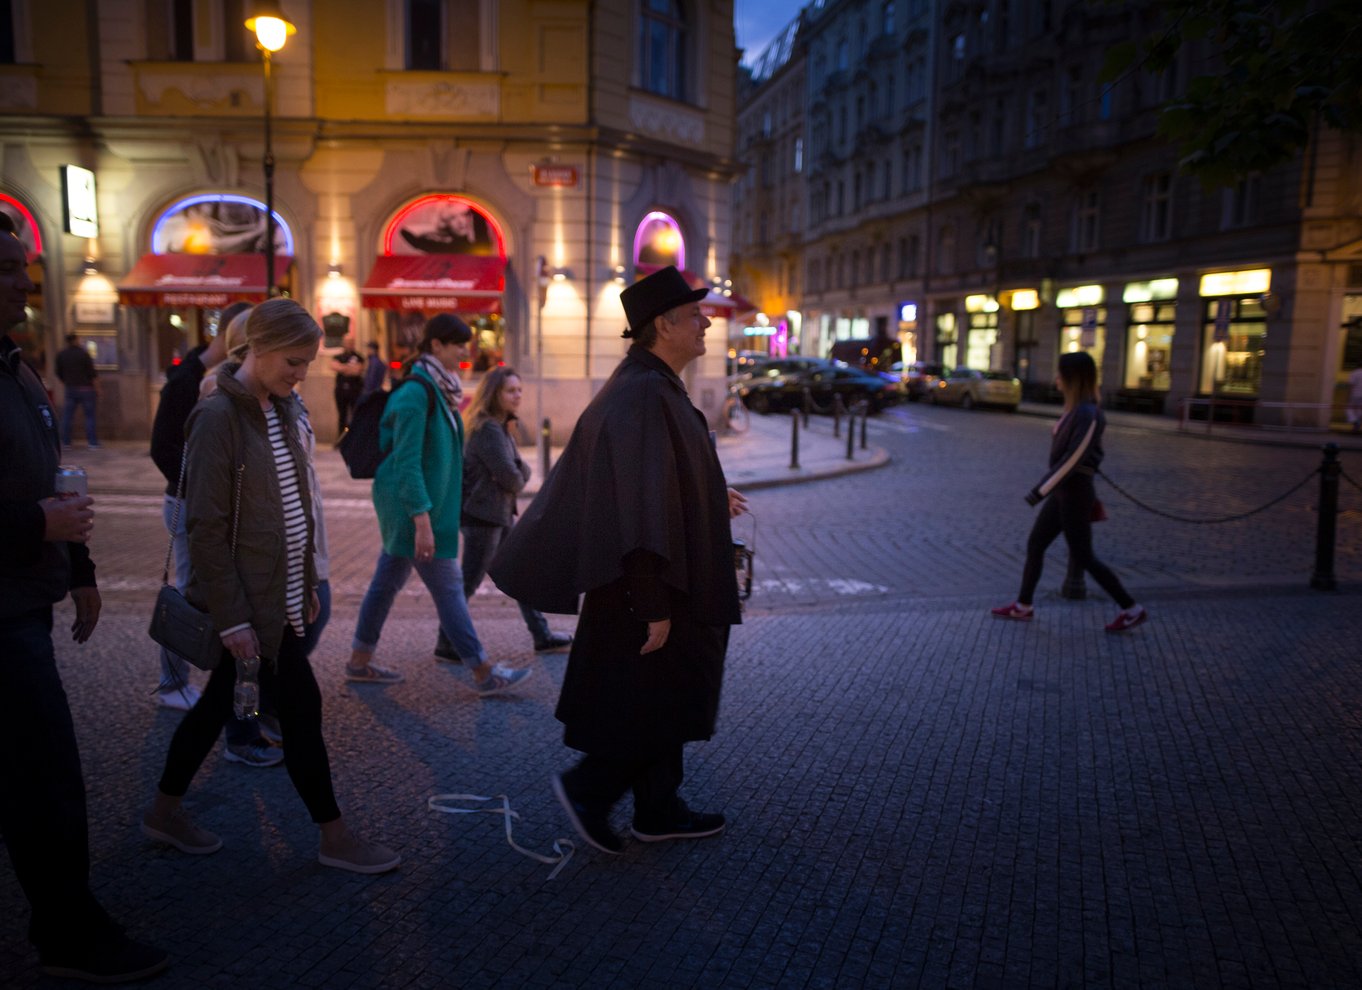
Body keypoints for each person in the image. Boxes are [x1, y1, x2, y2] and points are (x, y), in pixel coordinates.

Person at [489, 265, 748, 854]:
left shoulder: (648, 384)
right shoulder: (643, 393)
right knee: (652, 697)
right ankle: (592, 789)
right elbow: (634, 503)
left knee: (660, 695)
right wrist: (651, 601)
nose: (706, 321)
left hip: (654, 578)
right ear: (664, 324)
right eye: (694, 315)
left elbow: (659, 480)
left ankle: (658, 808)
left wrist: (707, 496)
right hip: (648, 583)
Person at [141, 297, 399, 875]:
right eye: (293, 360)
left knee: (216, 709)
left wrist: (304, 582)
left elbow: (294, 507)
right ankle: (334, 836)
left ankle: (163, 812)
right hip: (250, 608)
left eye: (307, 362)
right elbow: (205, 526)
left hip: (276, 598)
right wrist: (231, 618)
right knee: (301, 710)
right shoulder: (217, 417)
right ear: (256, 348)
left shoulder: (278, 407)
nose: (300, 373)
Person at [0, 212, 169, 982]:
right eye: (7, 270)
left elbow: (52, 478)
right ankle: (68, 931)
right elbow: (38, 501)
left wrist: (81, 565)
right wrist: (40, 522)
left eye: (24, 269)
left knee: (38, 774)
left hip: (28, 596)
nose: (24, 284)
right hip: (1, 612)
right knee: (46, 777)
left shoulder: (19, 368)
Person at [346, 313, 532, 696]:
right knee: (448, 588)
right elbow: (406, 461)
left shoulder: (440, 388)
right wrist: (422, 520)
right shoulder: (416, 393)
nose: (466, 350)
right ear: (436, 346)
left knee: (386, 582)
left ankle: (358, 662)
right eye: (458, 344)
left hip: (427, 507)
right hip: (414, 509)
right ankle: (483, 672)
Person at [991, 350, 1147, 633]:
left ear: (1072, 378)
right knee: (1036, 544)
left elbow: (1073, 459)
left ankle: (1131, 608)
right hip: (1063, 492)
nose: (1056, 378)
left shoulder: (1089, 413)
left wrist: (1039, 491)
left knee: (1084, 555)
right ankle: (1023, 606)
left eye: (1061, 373)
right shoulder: (1076, 411)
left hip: (1074, 493)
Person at [431, 366, 573, 662]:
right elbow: (514, 477)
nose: (517, 395)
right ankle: (446, 642)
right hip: (483, 518)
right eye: (511, 390)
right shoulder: (489, 429)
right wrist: (520, 471)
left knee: (521, 572)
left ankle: (541, 635)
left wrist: (518, 470)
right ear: (494, 393)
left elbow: (513, 471)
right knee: (469, 581)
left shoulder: (500, 425)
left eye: (519, 390)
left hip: (497, 514)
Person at [147, 302, 250, 713]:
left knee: (204, 588)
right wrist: (201, 489)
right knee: (190, 592)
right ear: (229, 334)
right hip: (185, 500)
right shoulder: (187, 379)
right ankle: (172, 683)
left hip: (200, 498)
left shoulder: (214, 377)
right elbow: (161, 448)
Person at [56, 332, 100, 449]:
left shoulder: (62, 355)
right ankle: (92, 443)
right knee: (89, 417)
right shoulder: (84, 354)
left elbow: (58, 372)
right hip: (86, 389)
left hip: (71, 388)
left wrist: (67, 381)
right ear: (76, 340)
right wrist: (98, 389)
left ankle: (66, 442)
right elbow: (92, 373)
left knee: (67, 416)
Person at [330, 335, 365, 433]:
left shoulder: (358, 357)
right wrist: (349, 368)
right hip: (341, 391)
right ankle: (341, 439)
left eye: (351, 342)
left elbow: (357, 370)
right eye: (347, 342)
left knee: (355, 415)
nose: (349, 344)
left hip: (355, 390)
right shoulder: (338, 356)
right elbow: (334, 366)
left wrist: (343, 368)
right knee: (342, 415)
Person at [1347, 365, 1362, 433]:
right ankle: (1357, 425)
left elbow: (1351, 385)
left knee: (1349, 409)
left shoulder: (1355, 373)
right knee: (1359, 411)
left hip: (1355, 395)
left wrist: (1348, 396)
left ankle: (1355, 422)